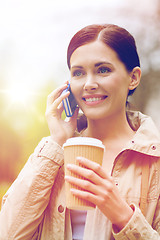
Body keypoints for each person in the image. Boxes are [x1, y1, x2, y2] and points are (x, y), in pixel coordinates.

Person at [0, 24, 160, 240]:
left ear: (133, 78)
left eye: (103, 70)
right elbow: (7, 233)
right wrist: (57, 141)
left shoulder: (154, 158)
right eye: (78, 73)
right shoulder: (55, 154)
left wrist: (124, 217)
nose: (89, 83)